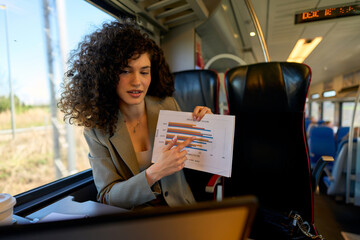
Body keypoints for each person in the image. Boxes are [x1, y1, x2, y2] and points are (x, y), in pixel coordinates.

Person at [58, 19, 212, 210]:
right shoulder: (96, 131)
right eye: (125, 71)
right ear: (106, 76)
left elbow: (198, 157)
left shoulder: (168, 106)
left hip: (181, 211)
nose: (137, 82)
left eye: (144, 72)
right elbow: (107, 197)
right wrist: (154, 173)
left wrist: (208, 126)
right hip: (137, 221)